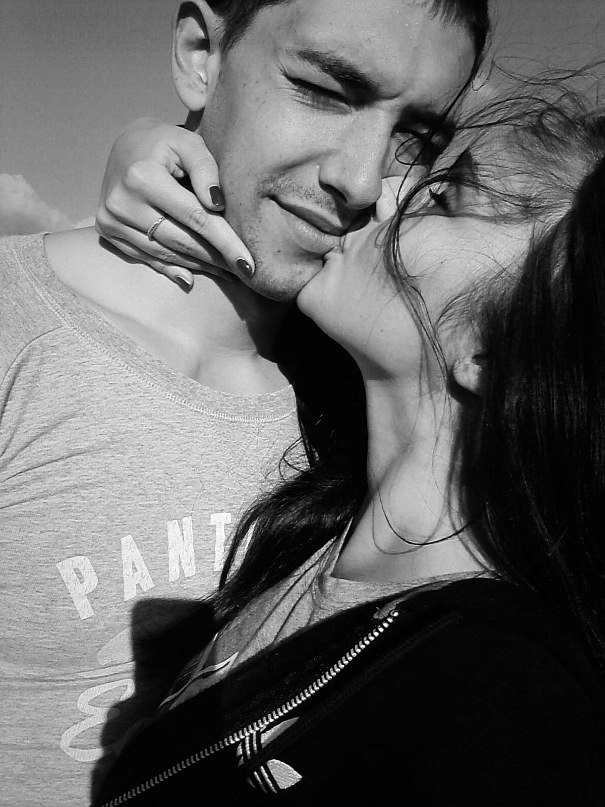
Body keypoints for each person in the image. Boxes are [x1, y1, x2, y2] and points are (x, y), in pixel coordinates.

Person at [0, 0, 489, 804]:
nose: (361, 180)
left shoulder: (366, 399)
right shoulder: (21, 332)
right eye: (324, 91)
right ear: (200, 53)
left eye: (414, 138)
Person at [94, 81, 605, 805]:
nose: (379, 194)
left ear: (497, 355)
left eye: (444, 199)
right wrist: (155, 148)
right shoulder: (327, 488)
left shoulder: (495, 703)